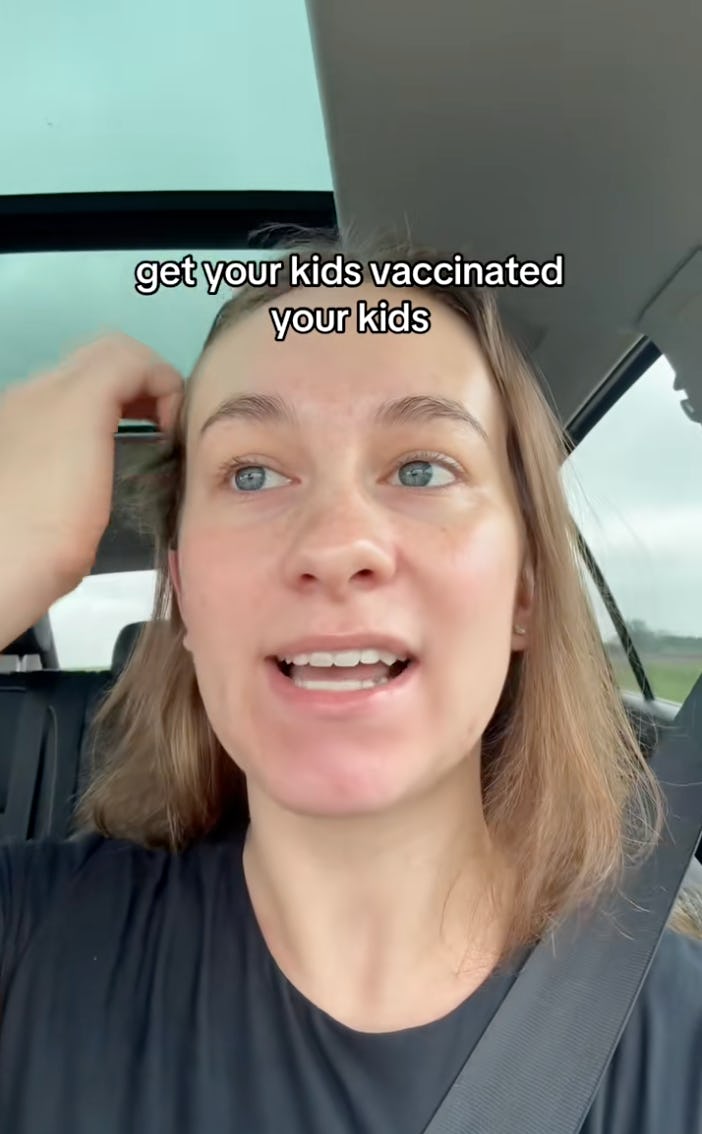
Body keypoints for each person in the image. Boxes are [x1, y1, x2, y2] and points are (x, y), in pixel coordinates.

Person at [0, 236, 700, 1134]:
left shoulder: (682, 1046)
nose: (336, 545)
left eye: (422, 469)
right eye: (251, 472)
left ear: (523, 592)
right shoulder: (28, 948)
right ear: (184, 592)